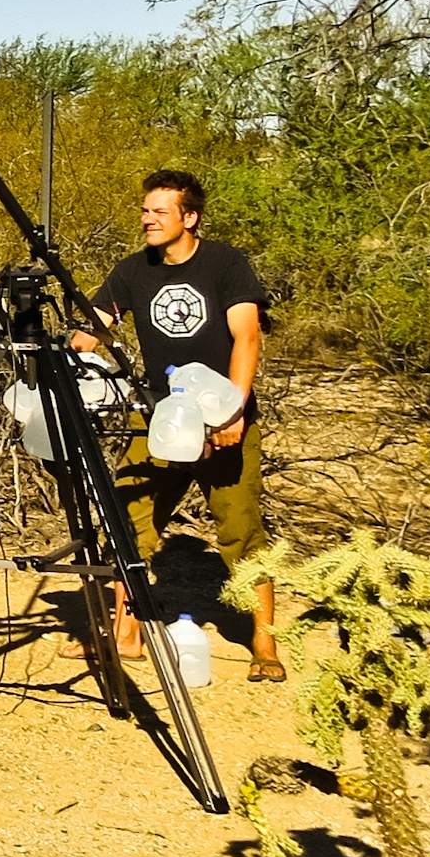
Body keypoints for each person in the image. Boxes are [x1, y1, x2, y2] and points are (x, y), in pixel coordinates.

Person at [64, 169, 283, 681]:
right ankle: (126, 633)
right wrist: (68, 343)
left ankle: (265, 641)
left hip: (221, 417)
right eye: (145, 211)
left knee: (240, 529)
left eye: (160, 212)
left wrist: (232, 410)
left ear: (190, 217)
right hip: (159, 416)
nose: (148, 220)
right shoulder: (132, 271)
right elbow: (94, 328)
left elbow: (247, 338)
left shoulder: (225, 263)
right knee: (128, 517)